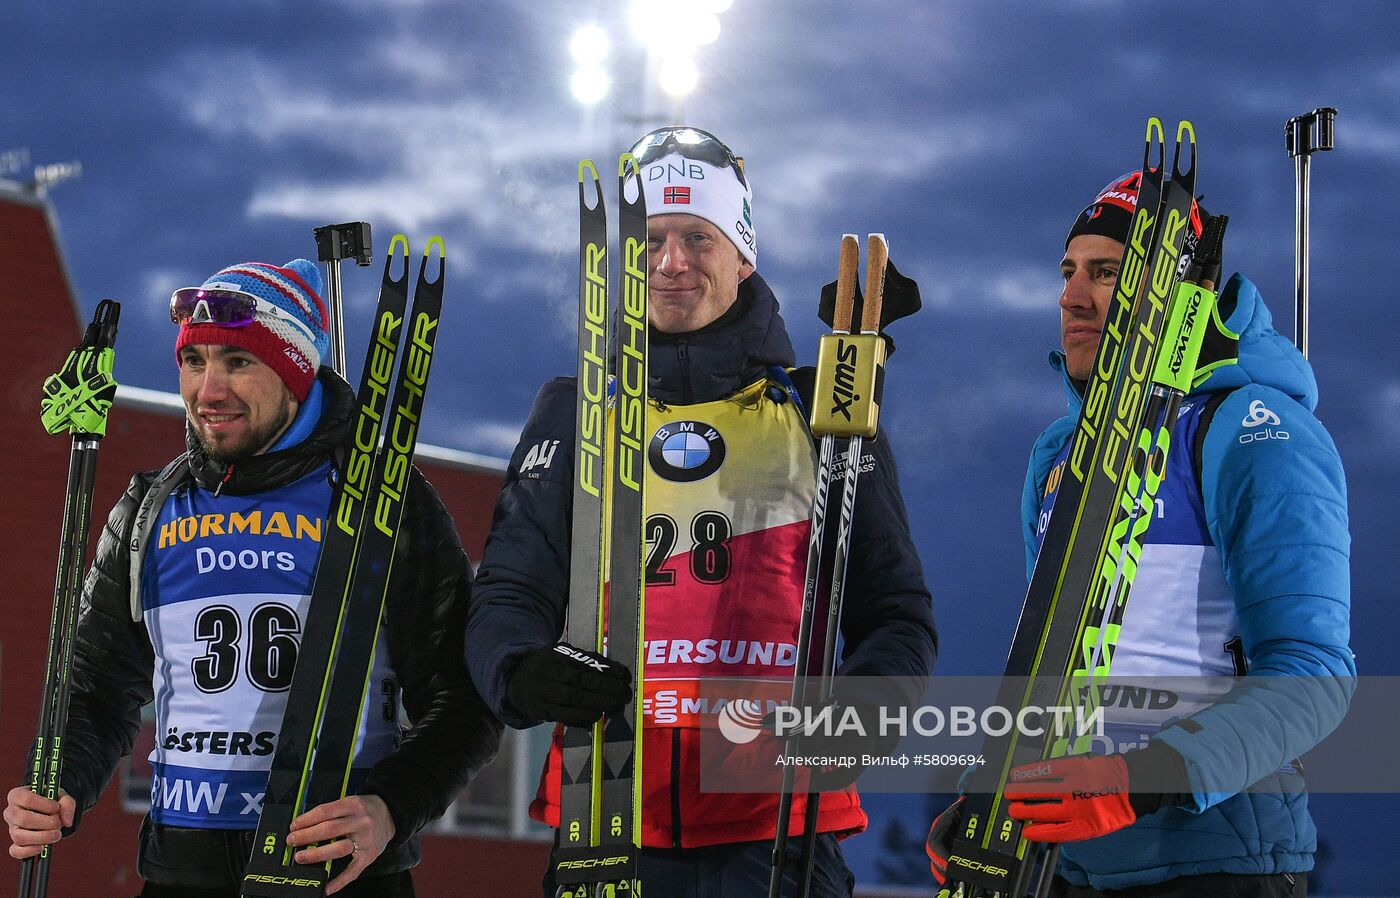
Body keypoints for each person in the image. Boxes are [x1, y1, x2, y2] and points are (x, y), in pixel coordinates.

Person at [464, 125, 936, 896]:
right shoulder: (576, 409)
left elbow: (897, 615)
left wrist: (861, 714)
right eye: (649, 241)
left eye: (697, 237)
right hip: (606, 809)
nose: (671, 262)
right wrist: (517, 672)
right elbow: (511, 589)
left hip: (775, 834)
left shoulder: (822, 410)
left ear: (743, 252)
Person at [4, 260, 501, 897]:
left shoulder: (383, 502)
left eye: (238, 361)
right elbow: (96, 692)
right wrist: (60, 784)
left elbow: (464, 698)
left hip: (337, 873)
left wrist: (391, 808)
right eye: (194, 362)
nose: (208, 391)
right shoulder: (149, 509)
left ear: (296, 370)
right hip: (183, 869)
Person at [927, 171, 1354, 896]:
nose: (1071, 297)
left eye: (1105, 273)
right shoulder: (1058, 455)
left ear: (1170, 293)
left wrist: (1137, 780)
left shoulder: (1254, 429)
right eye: (1067, 272)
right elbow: (1051, 658)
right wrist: (989, 796)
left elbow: (1314, 673)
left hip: (1213, 865)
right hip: (1064, 864)